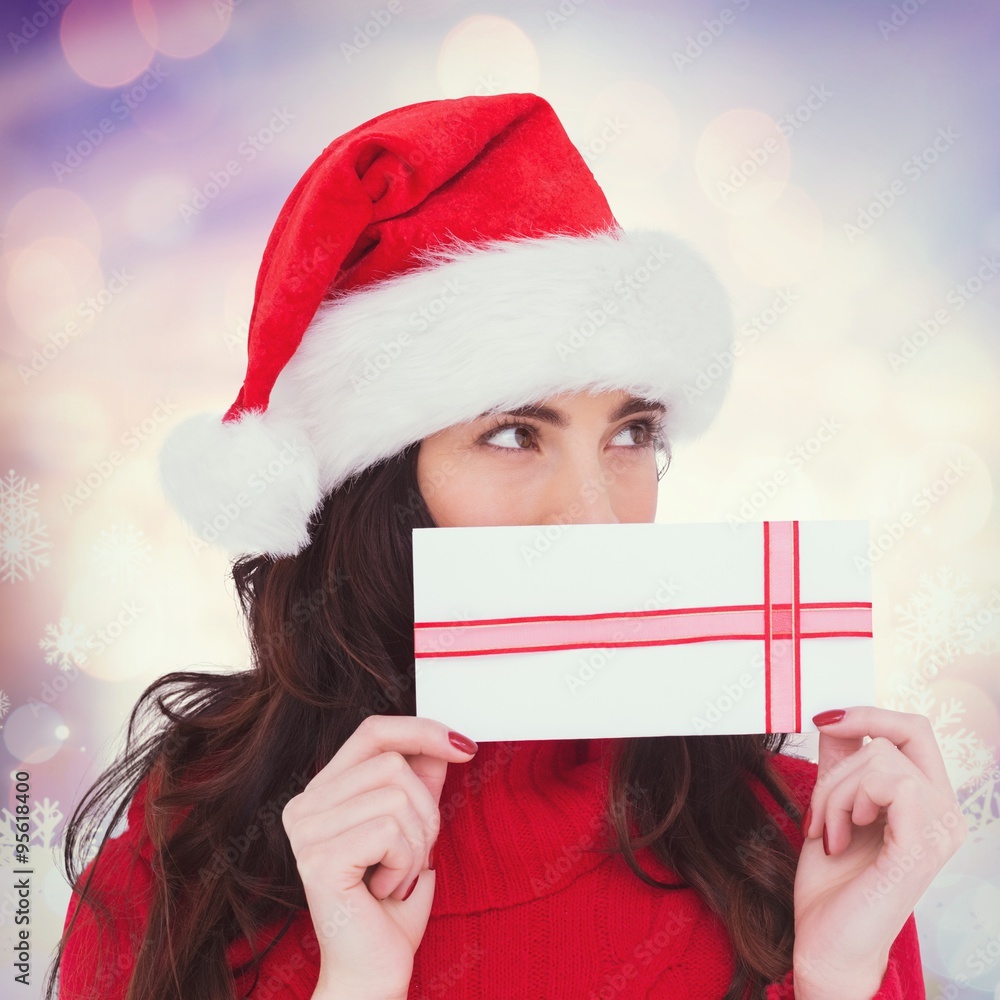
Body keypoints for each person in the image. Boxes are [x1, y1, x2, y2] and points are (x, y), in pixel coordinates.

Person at [47, 93, 965, 1000]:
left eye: (633, 432)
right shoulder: (200, 846)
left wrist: (837, 977)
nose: (596, 516)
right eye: (515, 434)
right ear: (385, 482)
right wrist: (356, 985)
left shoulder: (810, 843)